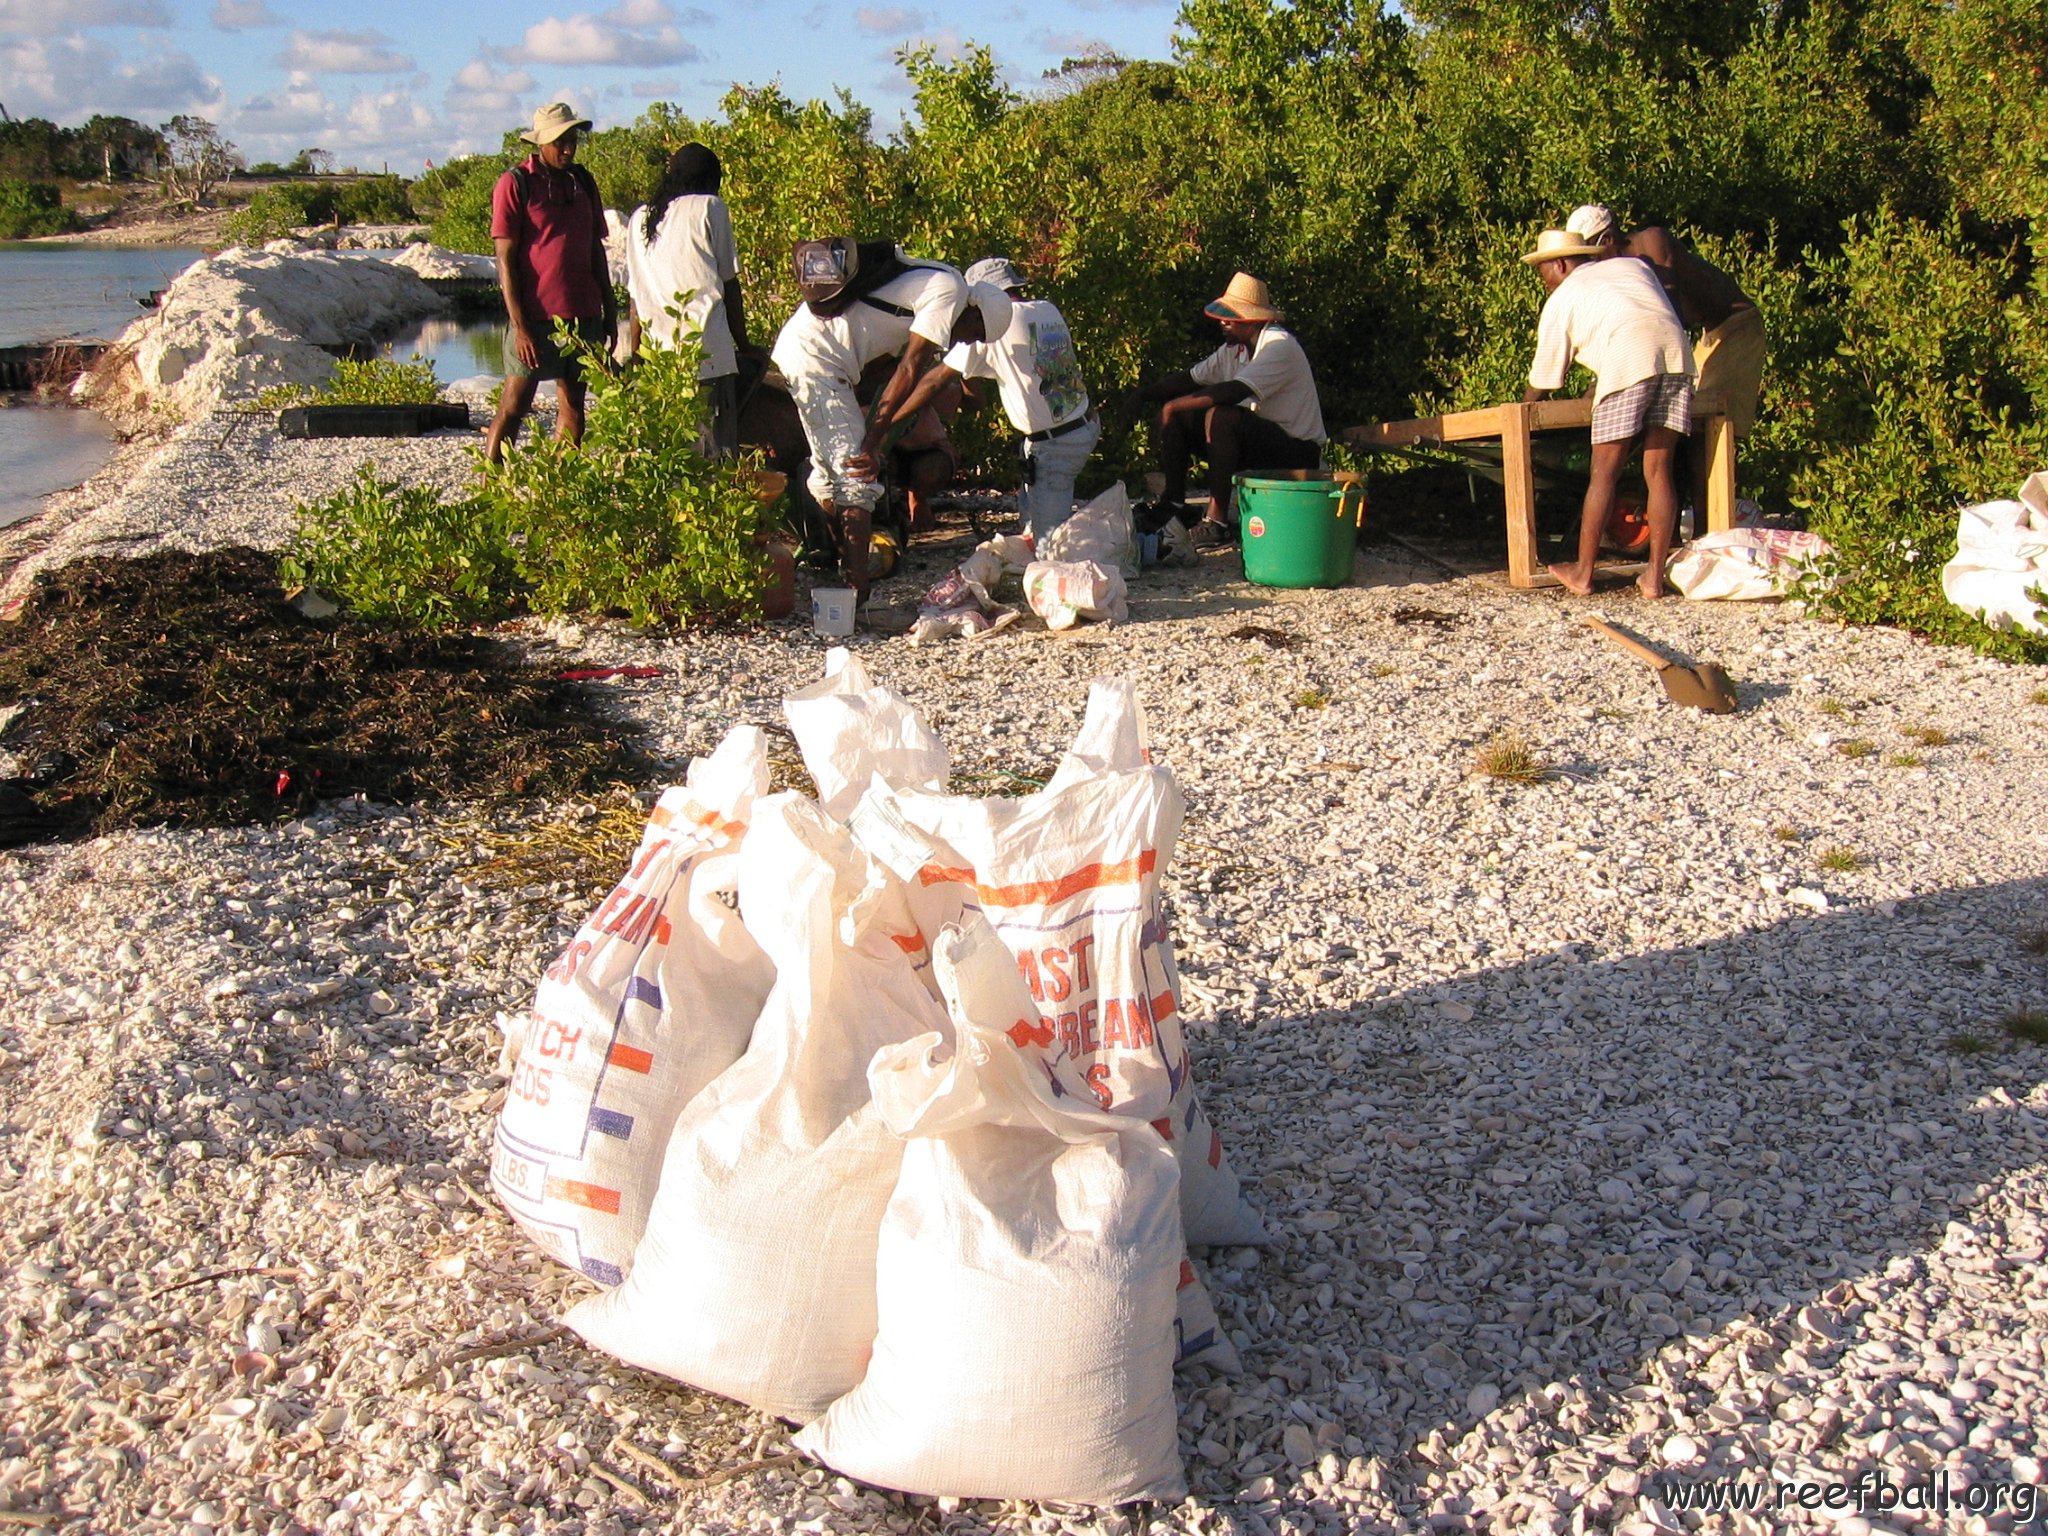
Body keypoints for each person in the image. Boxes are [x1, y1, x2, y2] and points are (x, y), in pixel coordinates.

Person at [769, 238, 1010, 604]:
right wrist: (871, 443)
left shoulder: (942, 281)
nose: (967, 342)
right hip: (816, 359)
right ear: (974, 312)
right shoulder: (949, 293)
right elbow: (910, 369)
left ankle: (841, 570)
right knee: (857, 474)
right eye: (976, 333)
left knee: (832, 474)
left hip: (811, 353)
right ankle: (856, 594)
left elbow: (886, 356)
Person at [1522, 227, 1694, 598]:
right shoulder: (1632, 268)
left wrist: (1520, 408)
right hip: (1677, 354)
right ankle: (1653, 578)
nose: (1545, 283)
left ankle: (1583, 573)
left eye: (1544, 273)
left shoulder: (1564, 296)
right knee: (1659, 469)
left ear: (1562, 264)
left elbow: (1546, 376)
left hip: (1629, 357)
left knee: (1604, 472)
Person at [888, 256, 1097, 546]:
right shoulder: (1047, 310)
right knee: (1031, 530)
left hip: (1054, 445)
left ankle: (1125, 557)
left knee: (1049, 546)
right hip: (1080, 425)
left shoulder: (998, 325)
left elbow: (935, 380)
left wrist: (888, 421)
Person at [1566, 203, 1766, 500]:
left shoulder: (1652, 244)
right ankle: (1684, 531)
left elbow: (1667, 319)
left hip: (1736, 327)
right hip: (1707, 337)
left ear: (1607, 239)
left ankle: (1708, 533)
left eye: (1591, 256)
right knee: (1678, 435)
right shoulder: (1620, 273)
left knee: (1706, 430)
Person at [1126, 272, 1325, 548]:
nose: (1223, 322)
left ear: (1253, 319)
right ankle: (1174, 504)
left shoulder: (1279, 345)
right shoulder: (1234, 350)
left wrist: (1172, 405)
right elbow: (1191, 379)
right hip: (1263, 446)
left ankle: (1217, 522)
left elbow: (1234, 391)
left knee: (1221, 415)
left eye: (1232, 317)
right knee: (1185, 413)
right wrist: (1146, 395)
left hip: (1297, 451)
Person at [483, 103, 616, 465]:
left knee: (574, 406)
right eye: (561, 142)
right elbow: (505, 262)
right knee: (514, 405)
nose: (569, 149)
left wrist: (609, 308)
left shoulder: (583, 181)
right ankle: (491, 487)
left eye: (573, 140)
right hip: (537, 318)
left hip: (583, 314)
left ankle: (560, 492)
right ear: (542, 142)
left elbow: (595, 250)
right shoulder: (515, 183)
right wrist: (521, 327)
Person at [622, 141, 749, 457]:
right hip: (707, 355)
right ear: (712, 179)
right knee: (715, 453)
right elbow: (729, 284)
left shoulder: (640, 218)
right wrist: (745, 346)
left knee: (669, 454)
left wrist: (636, 355)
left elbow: (636, 296)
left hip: (660, 361)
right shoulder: (710, 207)